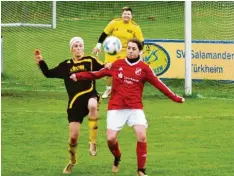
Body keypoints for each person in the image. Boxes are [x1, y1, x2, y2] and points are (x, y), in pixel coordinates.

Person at [70, 39, 185, 176]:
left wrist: (176, 98)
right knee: (110, 139)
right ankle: (117, 157)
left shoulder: (144, 68)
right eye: (129, 48)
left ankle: (141, 170)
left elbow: (159, 85)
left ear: (139, 51)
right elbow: (96, 74)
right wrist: (78, 76)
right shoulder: (117, 64)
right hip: (116, 108)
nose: (130, 51)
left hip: (135, 108)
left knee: (142, 136)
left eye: (133, 49)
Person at [34, 37, 105, 174]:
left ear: (83, 48)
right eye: (75, 46)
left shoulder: (90, 60)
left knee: (92, 105)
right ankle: (72, 161)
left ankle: (92, 142)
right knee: (73, 137)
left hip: (90, 94)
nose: (78, 48)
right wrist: (40, 61)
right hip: (74, 102)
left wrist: (109, 66)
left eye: (80, 46)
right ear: (71, 49)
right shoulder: (66, 65)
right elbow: (48, 73)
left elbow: (105, 69)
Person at [93, 6, 144, 99]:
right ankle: (108, 89)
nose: (126, 15)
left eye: (128, 14)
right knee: (108, 70)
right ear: (122, 15)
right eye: (125, 13)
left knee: (124, 71)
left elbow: (141, 41)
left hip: (126, 52)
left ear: (132, 16)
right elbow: (104, 34)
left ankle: (123, 90)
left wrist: (140, 53)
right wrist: (98, 45)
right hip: (112, 51)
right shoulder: (114, 23)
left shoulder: (135, 27)